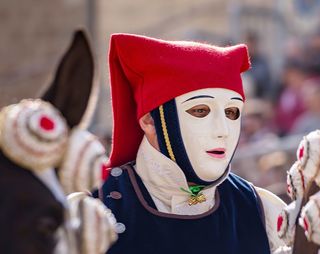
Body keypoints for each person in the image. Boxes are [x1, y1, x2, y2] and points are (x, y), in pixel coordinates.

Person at [94, 33, 286, 254]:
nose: (222, 131)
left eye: (232, 112)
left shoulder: (262, 211)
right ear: (150, 121)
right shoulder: (93, 211)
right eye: (200, 111)